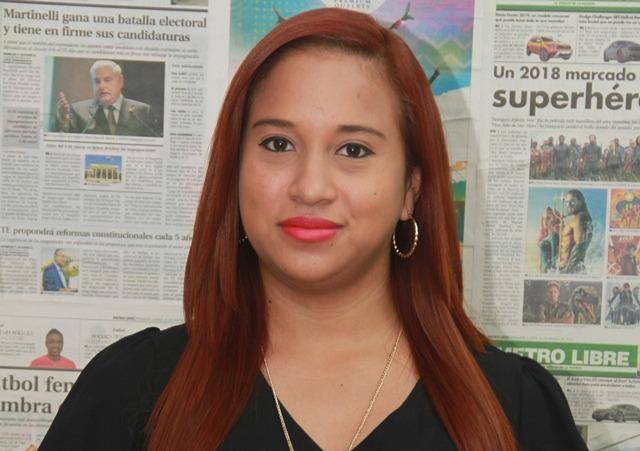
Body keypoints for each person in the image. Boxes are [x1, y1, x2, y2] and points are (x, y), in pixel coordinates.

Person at [40, 9, 587, 451]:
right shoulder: (130, 391)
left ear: (410, 189)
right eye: (278, 144)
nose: (310, 186)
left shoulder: (514, 408)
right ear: (235, 170)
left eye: (354, 150)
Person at [56, 60, 159, 137]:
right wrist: (63, 119)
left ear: (120, 81)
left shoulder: (142, 111)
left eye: (107, 80)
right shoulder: (78, 110)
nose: (101, 86)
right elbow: (66, 139)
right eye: (97, 81)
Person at [559, 190, 593, 274]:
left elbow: (579, 244)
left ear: (580, 202)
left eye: (572, 202)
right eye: (567, 202)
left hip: (569, 269)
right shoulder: (574, 219)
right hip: (565, 267)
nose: (568, 205)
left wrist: (568, 270)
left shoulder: (578, 218)